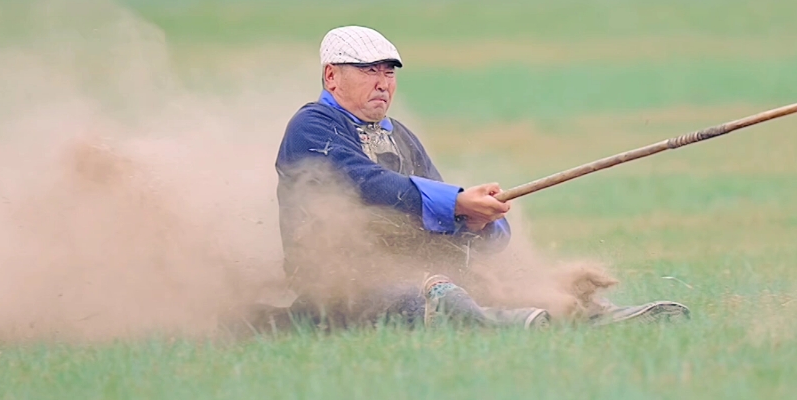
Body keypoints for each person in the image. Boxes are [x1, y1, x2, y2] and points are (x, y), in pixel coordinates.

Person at [265, 25, 688, 331]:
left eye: (388, 72)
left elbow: (433, 207)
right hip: (342, 281)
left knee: (488, 276)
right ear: (331, 76)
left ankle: (589, 316)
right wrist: (456, 201)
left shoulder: (399, 136)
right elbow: (367, 183)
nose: (382, 83)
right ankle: (499, 324)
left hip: (412, 267)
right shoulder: (313, 126)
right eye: (368, 71)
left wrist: (474, 221)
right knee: (432, 295)